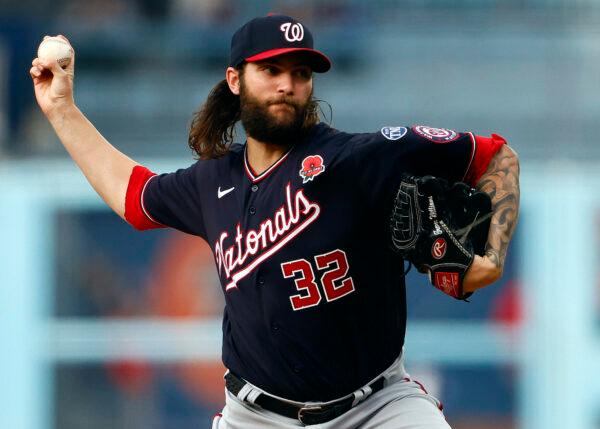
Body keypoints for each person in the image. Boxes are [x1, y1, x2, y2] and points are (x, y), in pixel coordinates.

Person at [30, 14, 520, 429]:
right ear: (236, 79)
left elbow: (496, 156)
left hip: (376, 407)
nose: (288, 84)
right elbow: (133, 196)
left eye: (301, 72)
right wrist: (62, 110)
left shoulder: (360, 159)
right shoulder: (211, 183)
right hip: (255, 416)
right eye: (272, 70)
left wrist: (492, 256)